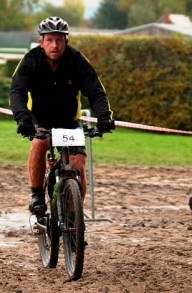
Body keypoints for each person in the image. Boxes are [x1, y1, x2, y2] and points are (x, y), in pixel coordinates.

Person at [9, 16, 114, 215]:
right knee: (39, 143)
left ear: (67, 41)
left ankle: (75, 217)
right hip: (40, 119)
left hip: (68, 121)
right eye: (49, 40)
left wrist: (104, 118)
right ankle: (37, 195)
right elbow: (16, 91)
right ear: (41, 42)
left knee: (78, 164)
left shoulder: (77, 60)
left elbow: (96, 91)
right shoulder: (31, 60)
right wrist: (23, 119)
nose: (54, 45)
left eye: (59, 40)